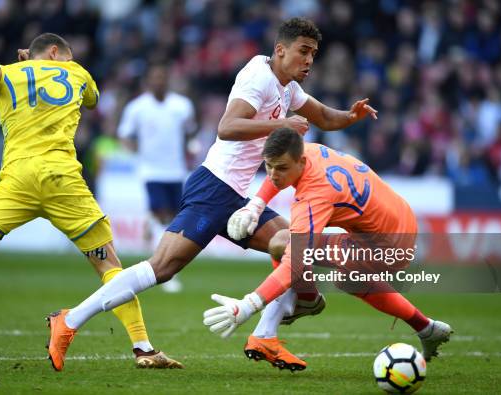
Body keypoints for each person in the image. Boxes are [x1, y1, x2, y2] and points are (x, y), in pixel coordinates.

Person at [44, 18, 377, 371]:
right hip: (214, 187)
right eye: (303, 52)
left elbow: (324, 116)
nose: (309, 60)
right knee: (162, 268)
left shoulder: (287, 88)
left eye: (314, 54)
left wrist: (350, 116)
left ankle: (266, 337)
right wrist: (281, 124)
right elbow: (227, 127)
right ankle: (68, 321)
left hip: (237, 196)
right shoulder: (259, 78)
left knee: (292, 244)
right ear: (280, 50)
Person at [0, 33, 181, 370]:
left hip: (17, 180)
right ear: (55, 52)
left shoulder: (8, 72)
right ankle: (143, 348)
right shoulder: (76, 72)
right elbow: (92, 100)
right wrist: (56, 66)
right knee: (109, 266)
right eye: (67, 55)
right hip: (62, 182)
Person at [203, 128, 452, 366]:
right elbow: (277, 169)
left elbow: (295, 262)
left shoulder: (314, 194)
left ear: (300, 163)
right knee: (346, 277)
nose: (273, 174)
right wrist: (255, 206)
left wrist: (249, 305)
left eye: (281, 168)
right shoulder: (306, 151)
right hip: (399, 218)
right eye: (268, 166)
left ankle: (306, 301)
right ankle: (426, 328)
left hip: (387, 243)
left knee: (283, 243)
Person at [117, 62, 197, 293]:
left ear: (167, 79)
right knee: (161, 215)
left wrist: (189, 145)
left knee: (173, 219)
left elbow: (190, 131)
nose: (159, 81)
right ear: (148, 81)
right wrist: (133, 151)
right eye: (155, 77)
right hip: (151, 170)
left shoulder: (182, 106)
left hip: (176, 170)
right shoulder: (137, 107)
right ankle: (161, 270)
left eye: (162, 77)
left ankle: (157, 251)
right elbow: (124, 134)